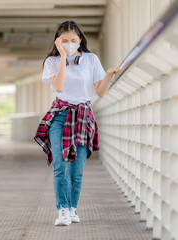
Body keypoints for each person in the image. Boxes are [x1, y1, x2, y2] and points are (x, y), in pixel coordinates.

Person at [33, 20, 119, 226]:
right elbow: (59, 87)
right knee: (60, 166)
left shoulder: (90, 59)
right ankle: (62, 210)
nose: (70, 43)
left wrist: (107, 75)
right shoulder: (52, 62)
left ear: (80, 40)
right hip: (60, 115)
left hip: (83, 115)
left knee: (76, 169)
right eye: (65, 41)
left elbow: (99, 92)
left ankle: (73, 208)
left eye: (74, 40)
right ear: (58, 41)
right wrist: (63, 56)